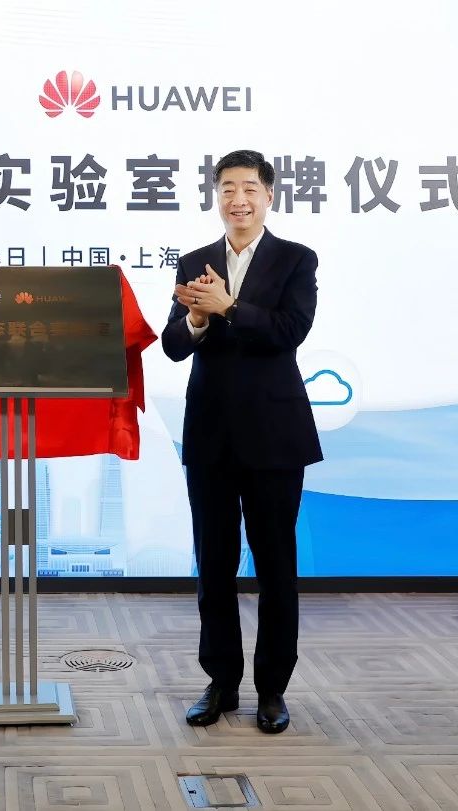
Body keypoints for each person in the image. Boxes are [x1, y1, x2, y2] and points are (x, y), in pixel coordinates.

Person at [160, 150, 322, 734]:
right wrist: (198, 320)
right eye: (228, 188)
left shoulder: (296, 259)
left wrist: (229, 307)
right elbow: (172, 344)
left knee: (276, 566)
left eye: (249, 188)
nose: (238, 200)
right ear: (217, 197)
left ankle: (272, 689)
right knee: (214, 565)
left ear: (269, 196)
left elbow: (289, 332)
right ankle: (221, 682)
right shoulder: (195, 262)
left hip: (275, 437)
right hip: (211, 436)